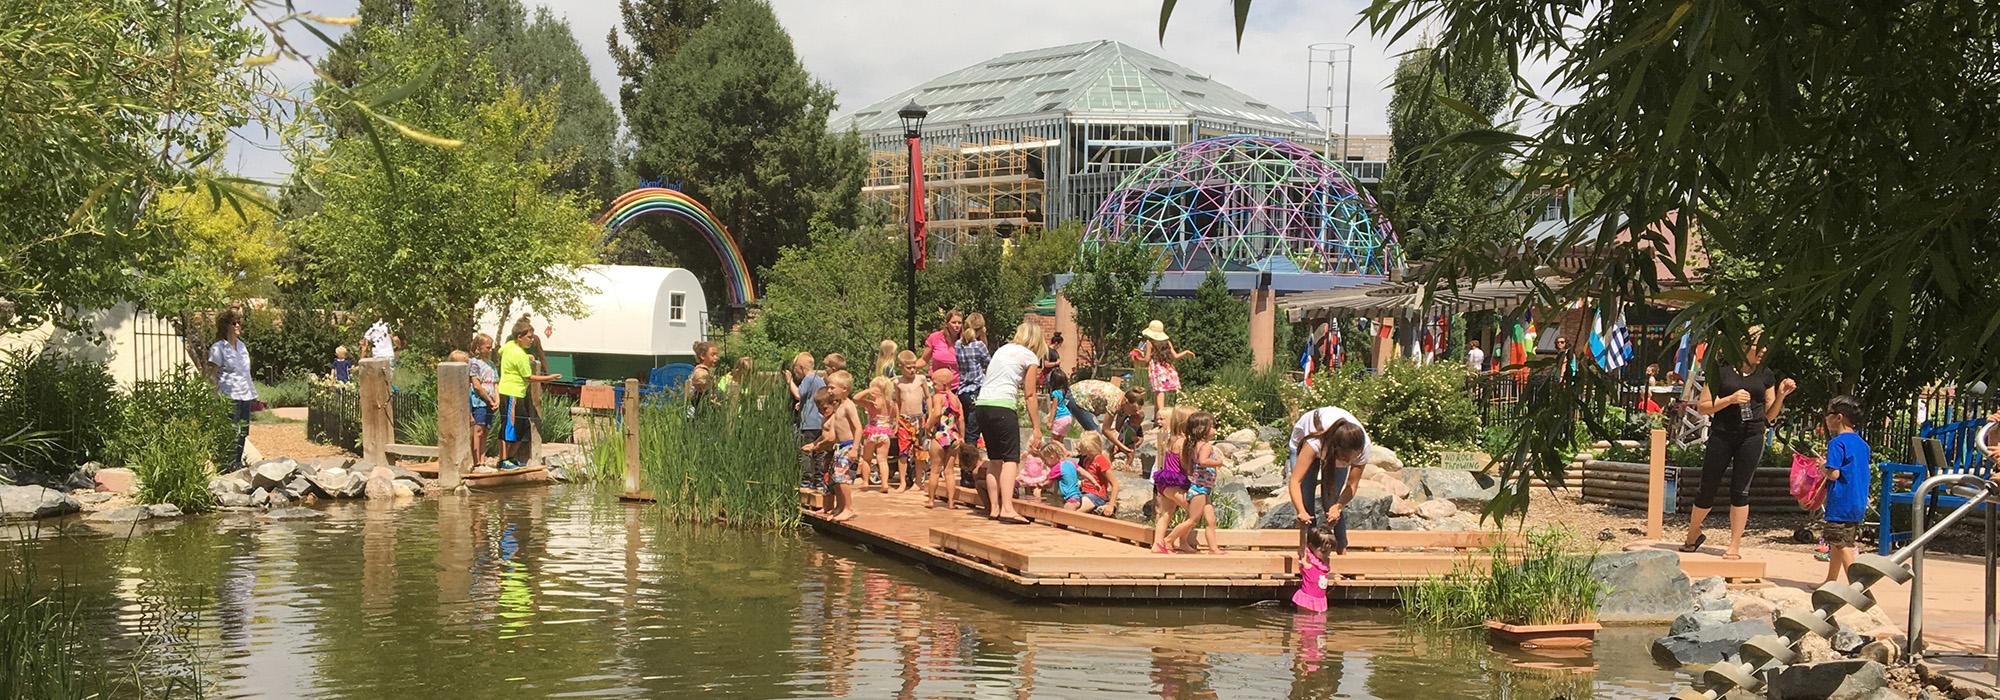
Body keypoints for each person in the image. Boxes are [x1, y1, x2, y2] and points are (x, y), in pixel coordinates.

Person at [1681, 329, 1797, 560]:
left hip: (1752, 435)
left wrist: (1782, 395)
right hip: (1722, 434)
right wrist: (1730, 399)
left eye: (1766, 346)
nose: (1763, 350)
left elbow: (1770, 415)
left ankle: (1734, 545)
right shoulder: (1720, 370)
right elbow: (1704, 406)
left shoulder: (1766, 375)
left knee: (1741, 490)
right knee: (1708, 487)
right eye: (1759, 345)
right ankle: (1693, 534)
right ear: (1744, 346)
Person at [972, 321, 1048, 524]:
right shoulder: (1029, 356)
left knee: (995, 459)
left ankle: (994, 508)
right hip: (1002, 407)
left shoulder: (1002, 350)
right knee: (1010, 459)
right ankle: (1007, 508)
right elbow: (1030, 394)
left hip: (982, 405)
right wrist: (1037, 428)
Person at [1286, 405, 1374, 558]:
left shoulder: (1362, 447)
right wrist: (1301, 511)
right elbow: (1295, 481)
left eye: (1354, 459)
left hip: (1334, 447)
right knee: (1306, 502)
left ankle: (1342, 553)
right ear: (1335, 450)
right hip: (1303, 440)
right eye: (1346, 459)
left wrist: (1338, 506)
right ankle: (1308, 556)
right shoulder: (1315, 443)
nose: (1349, 463)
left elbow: (1352, 485)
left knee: (1331, 502)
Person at [497, 316, 562, 470]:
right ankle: (503, 460)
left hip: (516, 393)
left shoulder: (509, 346)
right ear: (520, 337)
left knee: (523, 426)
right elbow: (529, 377)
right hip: (511, 392)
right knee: (509, 427)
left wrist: (527, 355)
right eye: (529, 337)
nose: (532, 340)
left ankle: (511, 458)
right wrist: (549, 377)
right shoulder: (518, 355)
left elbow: (501, 351)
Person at [1820, 396, 1872, 584]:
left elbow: (1833, 474)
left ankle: (1858, 585)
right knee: (1838, 542)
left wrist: (1822, 467)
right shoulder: (1862, 444)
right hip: (1856, 502)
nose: (1826, 418)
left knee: (1840, 544)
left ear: (1839, 417)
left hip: (1840, 503)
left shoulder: (1837, 443)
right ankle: (1830, 581)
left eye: (1829, 414)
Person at [803, 371, 862, 521]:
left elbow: (858, 428)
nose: (829, 391)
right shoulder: (838, 407)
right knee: (836, 478)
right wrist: (816, 444)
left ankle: (848, 508)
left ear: (844, 389)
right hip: (840, 446)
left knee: (843, 478)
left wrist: (855, 448)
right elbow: (832, 433)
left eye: (832, 388)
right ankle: (840, 507)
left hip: (848, 445)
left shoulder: (849, 406)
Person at [205, 309, 258, 470]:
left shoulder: (242, 346)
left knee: (243, 430)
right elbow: (212, 375)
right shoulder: (218, 348)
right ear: (225, 326)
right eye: (233, 323)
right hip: (228, 395)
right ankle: (226, 464)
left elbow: (244, 372)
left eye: (238, 322)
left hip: (245, 394)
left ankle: (236, 462)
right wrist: (212, 397)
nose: (237, 325)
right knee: (230, 430)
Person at [1164, 411, 1224, 555]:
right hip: (1200, 489)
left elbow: (1192, 466)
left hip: (1203, 488)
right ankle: (1168, 540)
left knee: (1211, 519)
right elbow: (1203, 461)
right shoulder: (1207, 446)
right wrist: (1218, 462)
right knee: (1192, 520)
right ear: (1203, 429)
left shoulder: (1194, 445)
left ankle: (1213, 548)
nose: (1215, 430)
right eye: (1213, 427)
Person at [1151, 406, 1194, 553]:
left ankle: (1157, 544)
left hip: (1164, 482)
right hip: (1174, 483)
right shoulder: (1183, 442)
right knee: (1194, 510)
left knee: (1166, 513)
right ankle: (1176, 539)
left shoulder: (1171, 438)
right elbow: (1183, 464)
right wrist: (1192, 468)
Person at [1137, 320, 1194, 427]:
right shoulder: (1167, 342)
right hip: (1167, 369)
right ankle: (1156, 417)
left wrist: (1137, 357)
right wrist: (1186, 352)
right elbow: (1175, 356)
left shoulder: (1149, 343)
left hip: (1157, 370)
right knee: (1158, 394)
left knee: (1159, 393)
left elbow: (1146, 359)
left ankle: (1162, 419)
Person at [924, 368, 963, 509]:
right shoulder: (956, 399)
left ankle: (931, 500)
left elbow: (937, 413)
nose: (933, 387)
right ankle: (951, 502)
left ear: (944, 385)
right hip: (953, 436)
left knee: (935, 470)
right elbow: (961, 419)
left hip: (940, 434)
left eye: (935, 384)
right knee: (950, 471)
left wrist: (928, 426)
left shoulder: (938, 397)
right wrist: (962, 436)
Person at [892, 351, 928, 493]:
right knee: (903, 452)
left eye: (914, 367)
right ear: (901, 366)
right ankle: (902, 482)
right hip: (904, 419)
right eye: (909, 367)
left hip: (919, 418)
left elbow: (928, 397)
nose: (912, 370)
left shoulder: (921, 379)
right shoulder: (897, 382)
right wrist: (897, 419)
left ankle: (918, 481)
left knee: (920, 452)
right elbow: (897, 402)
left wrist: (929, 416)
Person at [790, 353, 828, 488]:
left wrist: (789, 380)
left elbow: (798, 394)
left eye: (796, 370)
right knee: (819, 453)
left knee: (805, 452)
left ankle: (806, 481)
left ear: (800, 368)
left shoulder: (808, 379)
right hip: (820, 422)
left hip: (808, 424)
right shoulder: (820, 379)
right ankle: (819, 481)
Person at [854, 376, 897, 491]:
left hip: (872, 433)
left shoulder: (872, 404)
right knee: (882, 460)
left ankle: (865, 482)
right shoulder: (891, 404)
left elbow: (855, 398)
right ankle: (884, 484)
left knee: (867, 459)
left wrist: (867, 391)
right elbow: (894, 418)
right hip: (884, 434)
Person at [955, 315, 991, 447]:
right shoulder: (979, 345)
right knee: (973, 431)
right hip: (976, 389)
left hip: (962, 389)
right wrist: (984, 337)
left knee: (964, 427)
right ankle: (969, 462)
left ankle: (962, 457)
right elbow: (989, 362)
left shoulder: (958, 344)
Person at [467, 334, 500, 469]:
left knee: (486, 429)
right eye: (487, 347)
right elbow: (476, 385)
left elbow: (495, 383)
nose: (490, 350)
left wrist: (497, 399)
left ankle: (483, 458)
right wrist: (488, 399)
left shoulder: (491, 365)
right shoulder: (474, 363)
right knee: (478, 430)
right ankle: (476, 461)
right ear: (478, 348)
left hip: (490, 401)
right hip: (479, 401)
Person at [1291, 523, 1338, 613]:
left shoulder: (1325, 562)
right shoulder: (1308, 563)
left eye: (1329, 551)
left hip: (1320, 601)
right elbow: (1303, 546)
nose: (1327, 554)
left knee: (1319, 625)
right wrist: (1303, 529)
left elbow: (1327, 536)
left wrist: (1331, 525)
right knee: (1303, 623)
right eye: (1323, 551)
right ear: (1312, 546)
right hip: (1306, 600)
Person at [1070, 432, 1117, 516]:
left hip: (1097, 495)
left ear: (1089, 448)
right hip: (1085, 492)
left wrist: (1111, 505)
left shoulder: (1101, 461)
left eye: (1082, 447)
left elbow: (1115, 485)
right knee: (1070, 504)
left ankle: (1070, 523)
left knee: (1079, 511)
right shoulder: (1087, 460)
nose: (1079, 448)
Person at [1102, 386, 1148, 472]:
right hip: (1080, 401)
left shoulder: (1124, 406)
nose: (1134, 414)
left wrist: (1138, 440)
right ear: (1126, 402)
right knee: (1097, 437)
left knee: (1130, 452)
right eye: (1134, 410)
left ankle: (1126, 467)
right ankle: (1105, 469)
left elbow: (1140, 436)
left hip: (1127, 442)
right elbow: (1106, 430)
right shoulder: (1116, 402)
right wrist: (1121, 446)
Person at [925, 309, 964, 375]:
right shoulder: (935, 337)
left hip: (958, 384)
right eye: (953, 322)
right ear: (946, 324)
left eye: (959, 323)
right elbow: (924, 360)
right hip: (936, 382)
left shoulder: (965, 341)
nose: (957, 325)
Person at [687, 341, 721, 405]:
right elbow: (703, 392)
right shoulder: (700, 372)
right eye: (713, 355)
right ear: (702, 356)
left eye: (716, 355)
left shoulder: (706, 371)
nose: (716, 357)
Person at [1047, 368, 1075, 440]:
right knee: (1060, 441)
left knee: (1053, 441)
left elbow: (1054, 408)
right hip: (1068, 417)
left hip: (1060, 418)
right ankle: (1063, 451)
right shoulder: (1063, 391)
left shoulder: (1055, 393)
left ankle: (1063, 451)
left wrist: (1050, 422)